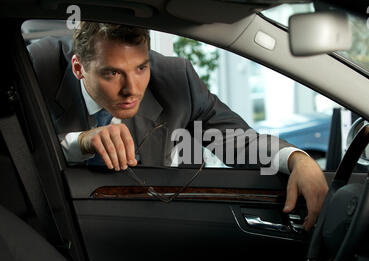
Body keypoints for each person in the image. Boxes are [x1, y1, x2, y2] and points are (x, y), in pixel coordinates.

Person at [28, 22, 328, 231]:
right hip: (55, 227)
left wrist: (296, 159)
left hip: (144, 225)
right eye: (112, 74)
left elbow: (237, 140)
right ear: (79, 67)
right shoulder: (39, 68)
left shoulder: (175, 78)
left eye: (141, 68)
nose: (132, 89)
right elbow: (15, 150)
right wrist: (78, 142)